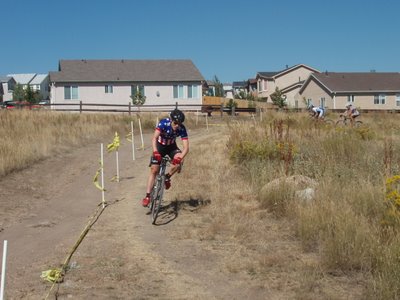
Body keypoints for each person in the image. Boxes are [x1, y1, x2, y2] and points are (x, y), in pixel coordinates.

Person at [141, 109, 189, 207]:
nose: (177, 125)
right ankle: (147, 196)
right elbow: (154, 138)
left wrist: (179, 158)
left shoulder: (181, 128)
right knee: (154, 170)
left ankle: (167, 177)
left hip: (171, 147)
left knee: (180, 161)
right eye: (175, 123)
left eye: (179, 124)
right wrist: (155, 152)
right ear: (171, 120)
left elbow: (186, 148)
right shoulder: (164, 123)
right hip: (159, 146)